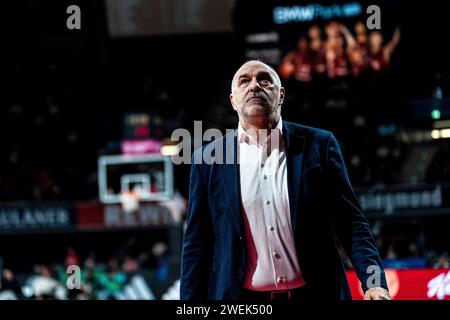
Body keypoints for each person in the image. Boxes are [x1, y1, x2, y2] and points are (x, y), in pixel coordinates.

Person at [180, 60, 390, 301]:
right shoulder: (208, 160)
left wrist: (374, 283)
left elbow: (352, 223)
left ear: (280, 95)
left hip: (317, 293)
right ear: (233, 100)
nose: (254, 86)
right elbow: (197, 245)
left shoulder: (319, 145)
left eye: (264, 79)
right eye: (244, 81)